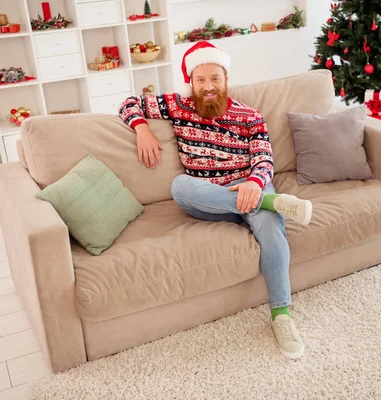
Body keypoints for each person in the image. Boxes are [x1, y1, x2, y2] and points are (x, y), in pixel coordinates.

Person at [118, 40, 312, 359]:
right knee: (180, 186)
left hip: (250, 187)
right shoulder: (177, 106)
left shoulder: (250, 116)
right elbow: (129, 103)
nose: (208, 86)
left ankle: (282, 316)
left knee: (272, 231)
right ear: (191, 83)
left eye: (215, 79)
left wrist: (253, 184)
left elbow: (264, 161)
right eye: (201, 80)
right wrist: (141, 129)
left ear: (225, 80)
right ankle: (269, 205)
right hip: (209, 198)